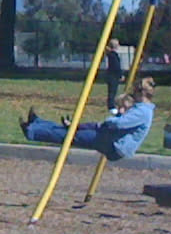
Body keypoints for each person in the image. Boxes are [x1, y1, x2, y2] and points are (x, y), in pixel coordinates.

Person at [21, 77, 156, 160]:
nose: (133, 94)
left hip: (115, 146)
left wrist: (109, 120)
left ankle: (33, 132)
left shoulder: (143, 111)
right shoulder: (140, 108)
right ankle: (37, 123)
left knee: (71, 135)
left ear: (141, 93)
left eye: (134, 91)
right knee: (73, 128)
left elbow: (120, 123)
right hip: (109, 135)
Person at [103, 38, 123, 109]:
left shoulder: (110, 54)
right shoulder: (113, 55)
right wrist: (120, 75)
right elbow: (116, 66)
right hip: (113, 76)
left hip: (111, 75)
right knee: (112, 91)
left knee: (112, 91)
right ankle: (111, 105)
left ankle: (111, 104)